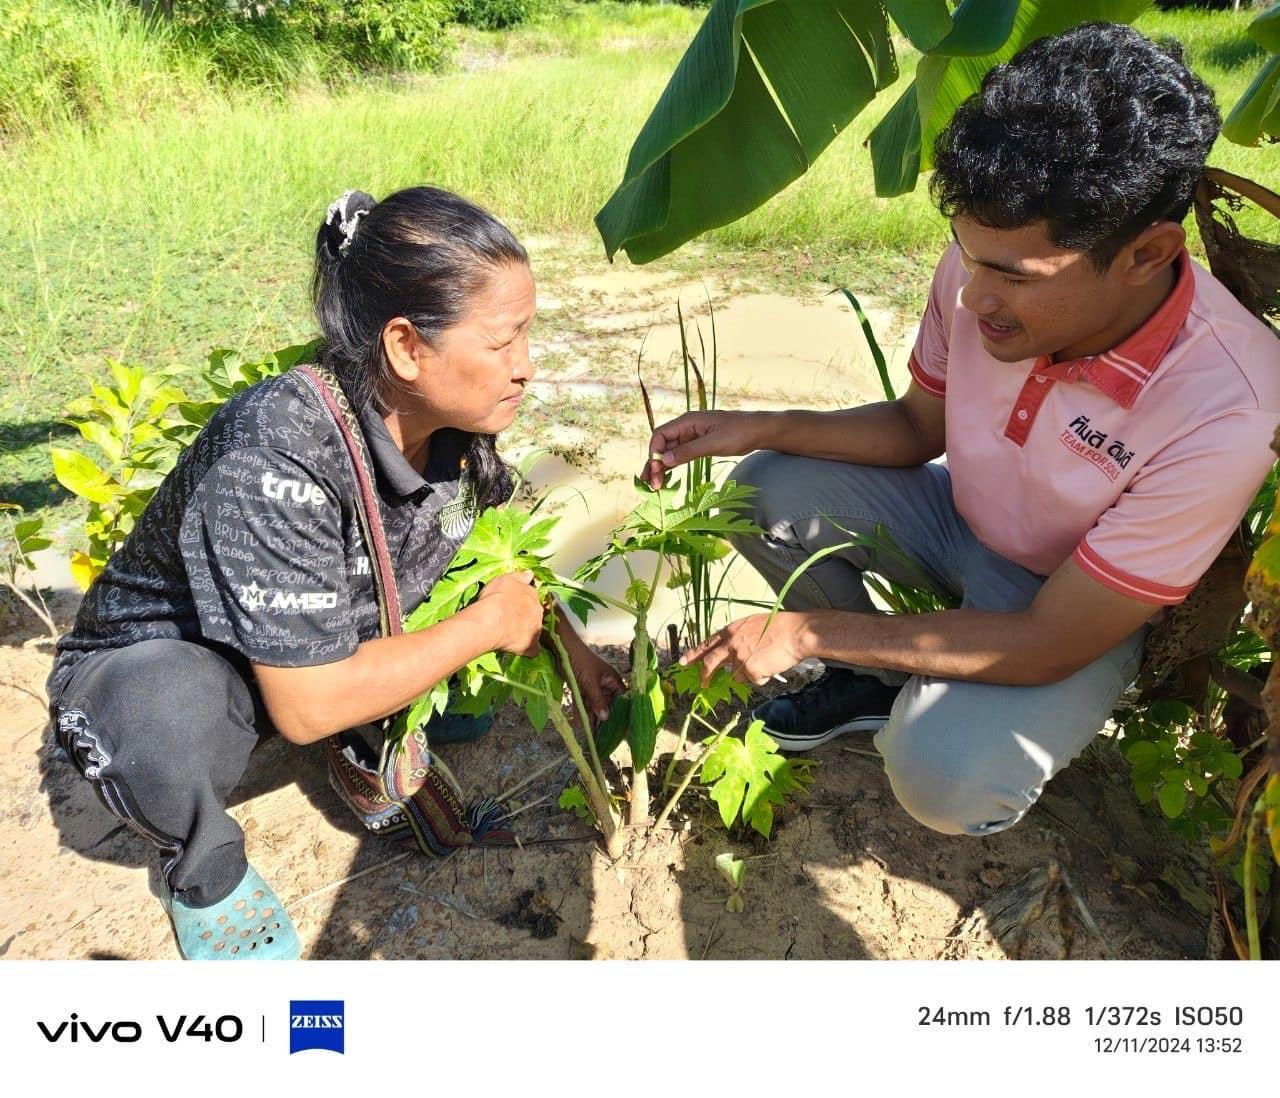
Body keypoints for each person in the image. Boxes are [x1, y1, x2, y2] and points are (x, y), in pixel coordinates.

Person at [642, 24, 1280, 838]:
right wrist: (751, 425)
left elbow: (1050, 641)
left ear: (1148, 253)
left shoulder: (1230, 401)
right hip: (959, 522)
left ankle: (901, 683)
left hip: (1071, 602)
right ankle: (866, 680)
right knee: (765, 488)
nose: (975, 299)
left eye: (1013, 276)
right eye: (967, 256)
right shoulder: (989, 272)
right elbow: (915, 428)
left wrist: (807, 630)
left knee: (945, 776)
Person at [47, 186, 623, 959]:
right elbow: (310, 706)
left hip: (308, 636)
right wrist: (481, 628)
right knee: (168, 721)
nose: (525, 368)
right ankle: (202, 870)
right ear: (406, 348)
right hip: (177, 667)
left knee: (465, 701)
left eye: (528, 336)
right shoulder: (275, 459)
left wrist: (575, 652)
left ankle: (381, 692)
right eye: (501, 342)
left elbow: (501, 553)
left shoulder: (454, 434)